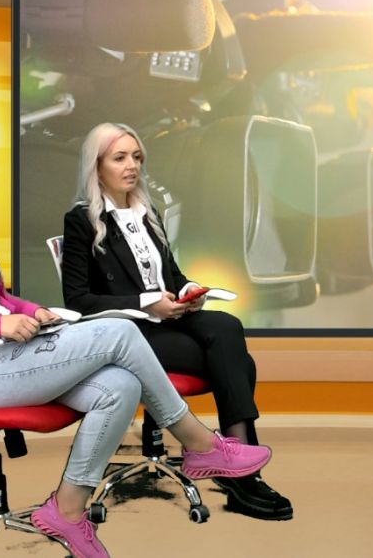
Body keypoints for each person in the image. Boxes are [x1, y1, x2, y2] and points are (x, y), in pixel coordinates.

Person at [0, 126, 273, 558]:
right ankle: (200, 444)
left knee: (121, 385)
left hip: (10, 356)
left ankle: (66, 509)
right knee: (121, 330)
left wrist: (32, 311)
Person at [61, 122, 293, 521]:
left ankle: (236, 465)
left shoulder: (148, 212)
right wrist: (147, 304)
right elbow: (78, 301)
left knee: (228, 326)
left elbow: (171, 274)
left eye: (137, 157)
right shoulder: (81, 220)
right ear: (96, 166)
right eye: (120, 158)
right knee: (240, 363)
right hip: (130, 331)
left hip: (168, 317)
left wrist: (189, 289)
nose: (132, 166)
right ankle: (243, 474)